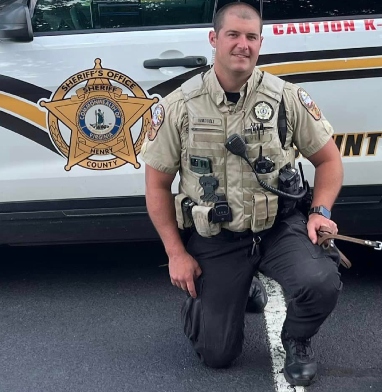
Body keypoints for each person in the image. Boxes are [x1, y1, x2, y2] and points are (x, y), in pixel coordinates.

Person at [140, 2, 345, 387]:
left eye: (251, 37)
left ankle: (297, 339)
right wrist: (175, 253)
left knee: (320, 280)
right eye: (233, 35)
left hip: (277, 227)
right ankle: (217, 297)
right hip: (217, 237)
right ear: (214, 39)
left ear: (260, 43)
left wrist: (319, 211)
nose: (243, 45)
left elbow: (329, 161)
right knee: (217, 355)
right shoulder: (179, 106)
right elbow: (156, 185)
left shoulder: (284, 98)